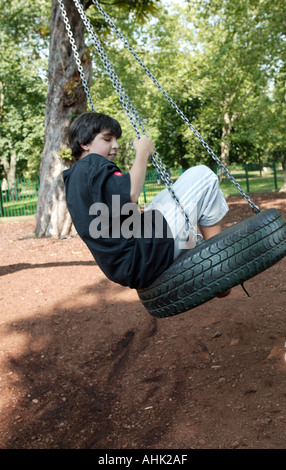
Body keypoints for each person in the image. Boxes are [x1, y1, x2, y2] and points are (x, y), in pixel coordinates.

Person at [63, 112, 229, 291]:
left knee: (165, 203)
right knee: (204, 175)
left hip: (133, 265)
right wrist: (143, 152)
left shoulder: (75, 178)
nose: (116, 145)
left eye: (116, 140)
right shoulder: (92, 163)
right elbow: (131, 193)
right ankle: (217, 266)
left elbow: (119, 212)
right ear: (84, 143)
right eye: (107, 139)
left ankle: (194, 253)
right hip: (144, 255)